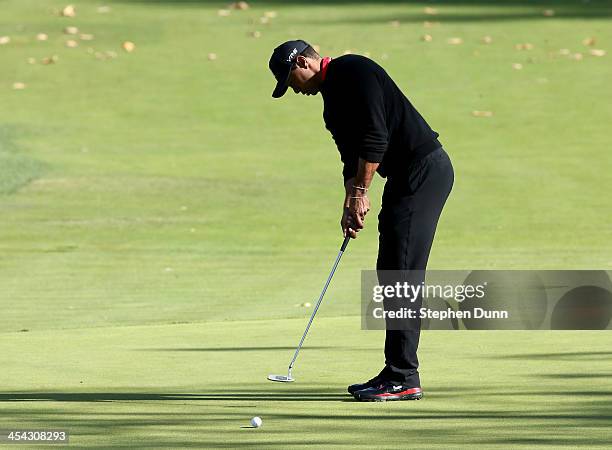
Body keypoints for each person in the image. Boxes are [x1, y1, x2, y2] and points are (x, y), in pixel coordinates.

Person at [268, 40, 454, 402]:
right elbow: (350, 157)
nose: (294, 89)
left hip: (424, 170)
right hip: (405, 178)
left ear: (304, 61)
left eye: (292, 80)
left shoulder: (354, 70)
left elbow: (375, 137)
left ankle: (404, 377)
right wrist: (349, 201)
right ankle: (396, 370)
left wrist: (360, 193)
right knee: (391, 270)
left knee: (400, 271)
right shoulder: (330, 108)